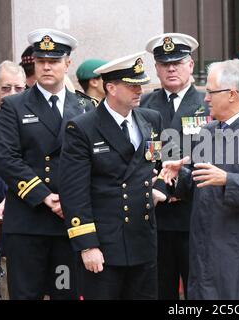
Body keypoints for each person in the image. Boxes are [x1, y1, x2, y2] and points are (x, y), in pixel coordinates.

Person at [161, 59, 239, 299]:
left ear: (231, 94)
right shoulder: (208, 131)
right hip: (203, 250)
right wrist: (180, 177)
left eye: (210, 92)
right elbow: (202, 184)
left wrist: (229, 180)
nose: (205, 98)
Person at [59, 52, 168, 300]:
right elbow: (74, 192)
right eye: (132, 85)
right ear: (111, 88)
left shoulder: (151, 120)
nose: (139, 90)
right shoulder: (82, 127)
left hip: (143, 241)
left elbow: (158, 166)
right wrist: (88, 245)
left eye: (140, 84)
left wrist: (161, 186)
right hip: (105, 244)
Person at [0, 28, 92, 300]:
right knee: (26, 295)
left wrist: (68, 202)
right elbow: (7, 159)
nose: (47, 67)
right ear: (34, 63)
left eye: (54, 61)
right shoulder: (15, 105)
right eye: (41, 61)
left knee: (66, 293)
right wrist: (46, 197)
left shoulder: (86, 107)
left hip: (68, 223)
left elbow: (93, 162)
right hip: (29, 221)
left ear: (67, 63)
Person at [141, 32, 210, 299]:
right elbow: (140, 155)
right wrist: (157, 183)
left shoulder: (207, 103)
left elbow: (214, 156)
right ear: (156, 68)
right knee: (159, 290)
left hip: (194, 214)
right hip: (156, 214)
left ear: (190, 65)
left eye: (178, 62)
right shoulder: (145, 104)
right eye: (165, 63)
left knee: (197, 290)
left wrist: (181, 183)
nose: (171, 68)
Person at [0, 61, 26, 216]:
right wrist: (11, 199)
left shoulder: (36, 119)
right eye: (6, 88)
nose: (12, 94)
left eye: (18, 88)